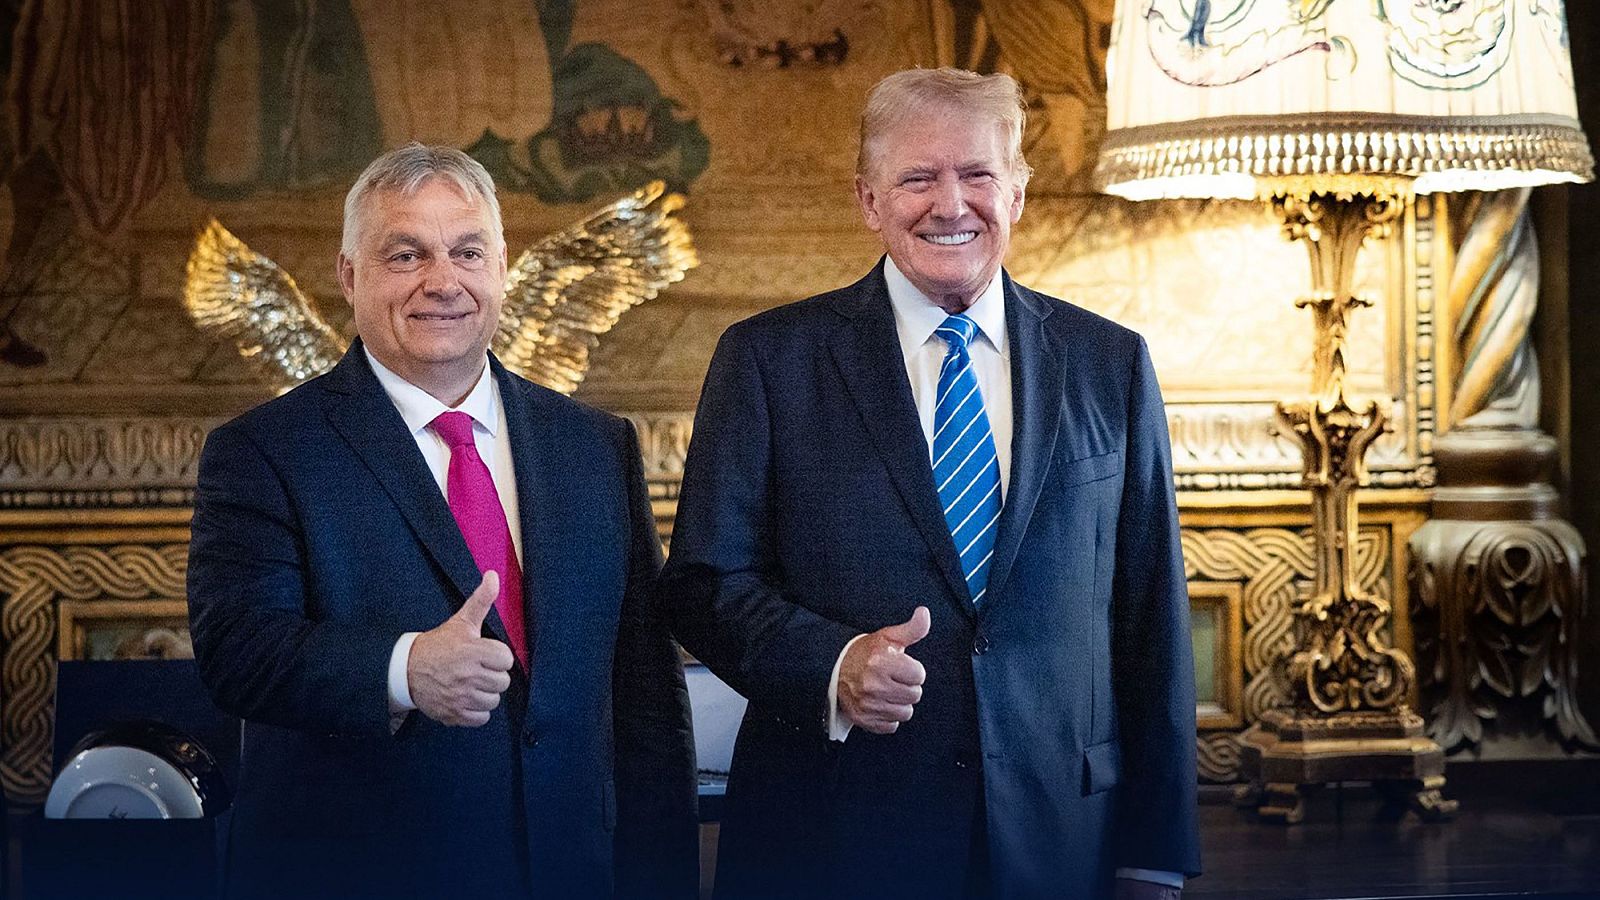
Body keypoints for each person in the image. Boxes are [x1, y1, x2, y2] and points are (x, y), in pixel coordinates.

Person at [659, 68, 1200, 899]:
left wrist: (1156, 852)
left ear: (1017, 192)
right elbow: (703, 585)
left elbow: (1151, 616)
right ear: (869, 200)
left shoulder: (1112, 364)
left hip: (1063, 843)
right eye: (917, 177)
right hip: (833, 841)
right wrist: (833, 665)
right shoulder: (769, 362)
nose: (951, 204)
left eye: (977, 174)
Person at [187, 143, 697, 899]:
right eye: (406, 254)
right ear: (350, 276)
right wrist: (402, 671)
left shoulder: (595, 444)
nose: (443, 282)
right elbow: (238, 652)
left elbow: (646, 694)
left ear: (500, 269)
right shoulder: (262, 451)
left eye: (468, 252)